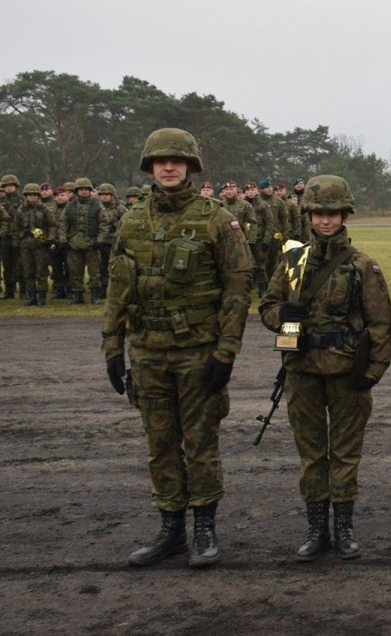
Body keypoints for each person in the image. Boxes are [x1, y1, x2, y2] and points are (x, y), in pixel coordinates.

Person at [101, 127, 253, 568]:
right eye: (160, 161)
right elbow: (117, 287)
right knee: (160, 444)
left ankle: (204, 528)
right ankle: (171, 530)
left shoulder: (218, 219)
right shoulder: (132, 219)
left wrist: (226, 352)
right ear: (149, 167)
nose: (168, 167)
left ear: (191, 166)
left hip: (197, 352)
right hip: (147, 353)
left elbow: (238, 288)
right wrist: (112, 346)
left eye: (177, 161)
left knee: (201, 443)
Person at [260, 175, 391, 561]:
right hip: (301, 371)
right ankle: (317, 528)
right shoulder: (292, 261)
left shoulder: (362, 266)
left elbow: (380, 324)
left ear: (344, 215)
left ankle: (345, 527)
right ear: (309, 215)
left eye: (333, 214)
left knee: (346, 453)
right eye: (319, 213)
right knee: (312, 453)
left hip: (346, 372)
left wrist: (373, 372)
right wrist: (282, 316)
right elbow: (267, 306)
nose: (325, 220)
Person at [15, 182, 57, 306]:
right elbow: (15, 228)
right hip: (25, 246)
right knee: (28, 272)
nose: (32, 197)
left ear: (38, 196)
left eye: (34, 195)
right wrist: (16, 243)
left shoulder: (44, 209)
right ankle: (31, 296)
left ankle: (42, 297)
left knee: (41, 272)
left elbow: (53, 225)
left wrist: (50, 238)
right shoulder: (20, 210)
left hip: (40, 245)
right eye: (30, 195)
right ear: (26, 196)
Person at [63, 178, 103, 304]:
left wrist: (100, 240)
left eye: (86, 189)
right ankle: (78, 295)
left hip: (92, 243)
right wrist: (64, 240)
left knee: (94, 271)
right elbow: (63, 223)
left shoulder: (97, 205)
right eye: (81, 189)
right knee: (75, 271)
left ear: (90, 190)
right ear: (77, 191)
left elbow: (104, 223)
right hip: (73, 244)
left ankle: (95, 296)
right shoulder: (69, 206)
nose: (84, 191)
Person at [0, 174, 24, 299]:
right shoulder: (0, 202)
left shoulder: (22, 201)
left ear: (16, 186)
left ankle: (23, 291)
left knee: (21, 265)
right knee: (7, 265)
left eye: (11, 185)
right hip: (5, 237)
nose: (9, 188)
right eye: (6, 186)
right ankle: (9, 291)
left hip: (19, 237)